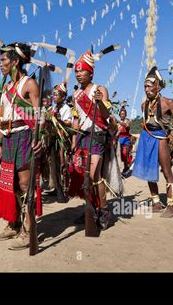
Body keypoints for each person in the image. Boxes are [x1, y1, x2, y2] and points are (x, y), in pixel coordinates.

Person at [0, 42, 42, 250]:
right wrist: (0, 141)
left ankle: (29, 229)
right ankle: (14, 223)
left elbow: (38, 116)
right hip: (9, 138)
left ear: (15, 61)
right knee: (10, 184)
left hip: (24, 137)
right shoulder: (6, 87)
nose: (1, 64)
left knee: (24, 184)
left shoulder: (29, 84)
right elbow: (2, 115)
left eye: (4, 60)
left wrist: (38, 138)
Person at [68, 50, 112, 229]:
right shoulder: (75, 94)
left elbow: (106, 115)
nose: (78, 74)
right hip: (82, 138)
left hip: (98, 136)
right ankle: (90, 209)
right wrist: (73, 142)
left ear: (91, 72)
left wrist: (100, 102)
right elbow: (76, 120)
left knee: (94, 175)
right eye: (76, 72)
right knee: (82, 176)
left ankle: (104, 211)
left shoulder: (100, 90)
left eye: (82, 71)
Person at [132, 67, 173, 218]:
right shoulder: (143, 105)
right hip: (146, 138)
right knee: (148, 172)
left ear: (158, 86)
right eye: (144, 86)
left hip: (161, 138)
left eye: (149, 86)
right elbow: (147, 120)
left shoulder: (169, 102)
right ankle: (156, 202)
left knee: (167, 172)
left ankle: (171, 205)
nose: (146, 89)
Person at [117, 108, 133, 175]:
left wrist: (118, 121)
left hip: (126, 140)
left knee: (125, 153)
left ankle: (126, 167)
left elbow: (126, 125)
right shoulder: (117, 123)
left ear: (125, 115)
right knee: (120, 156)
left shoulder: (128, 121)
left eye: (123, 114)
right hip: (119, 140)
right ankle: (123, 168)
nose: (122, 115)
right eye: (121, 114)